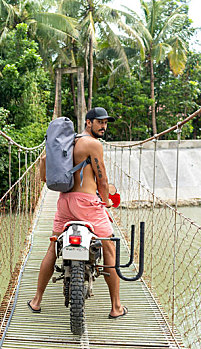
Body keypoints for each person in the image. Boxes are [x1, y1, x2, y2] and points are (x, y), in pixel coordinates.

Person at [27, 107, 127, 319]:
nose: (104, 126)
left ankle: (36, 300)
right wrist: (106, 200)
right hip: (88, 204)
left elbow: (44, 176)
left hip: (64, 202)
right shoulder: (93, 144)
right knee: (108, 246)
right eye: (99, 122)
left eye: (106, 123)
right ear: (88, 123)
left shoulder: (64, 142)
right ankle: (116, 307)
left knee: (54, 245)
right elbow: (102, 179)